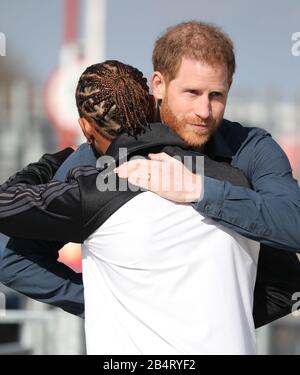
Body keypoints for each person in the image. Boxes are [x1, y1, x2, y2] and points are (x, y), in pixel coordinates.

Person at [0, 20, 300, 330]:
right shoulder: (100, 153)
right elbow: (11, 259)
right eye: (192, 92)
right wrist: (119, 304)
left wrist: (201, 190)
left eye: (216, 95)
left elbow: (294, 227)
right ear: (158, 84)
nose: (204, 110)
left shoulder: (252, 149)